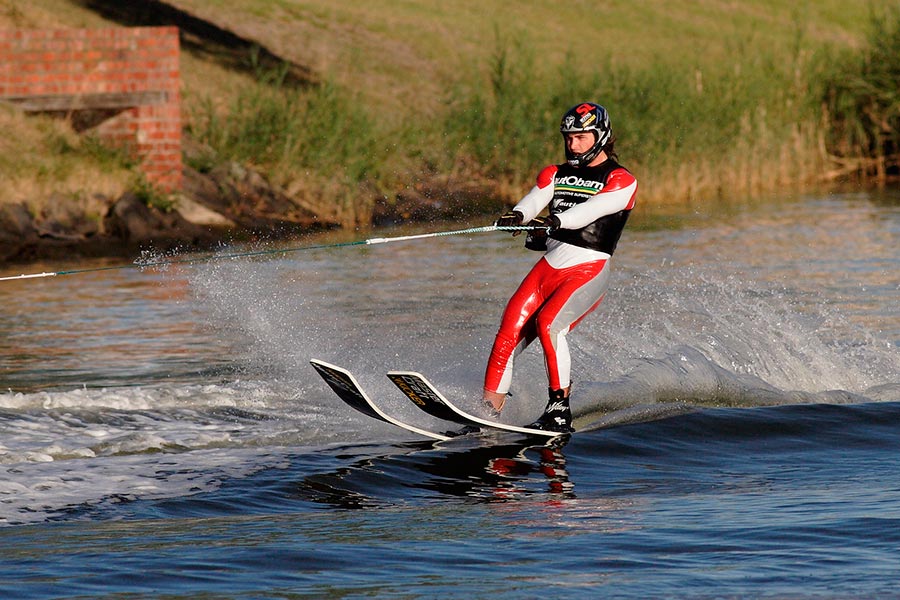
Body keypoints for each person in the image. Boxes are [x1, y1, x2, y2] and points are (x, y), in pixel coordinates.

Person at [483, 102, 637, 433]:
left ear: (601, 136)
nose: (573, 144)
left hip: (587, 269)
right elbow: (536, 198)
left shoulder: (621, 180)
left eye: (581, 137)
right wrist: (519, 215)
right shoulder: (555, 172)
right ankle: (486, 414)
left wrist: (554, 222)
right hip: (549, 266)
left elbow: (591, 211)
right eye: (568, 138)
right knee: (508, 329)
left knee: (549, 324)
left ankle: (558, 409)